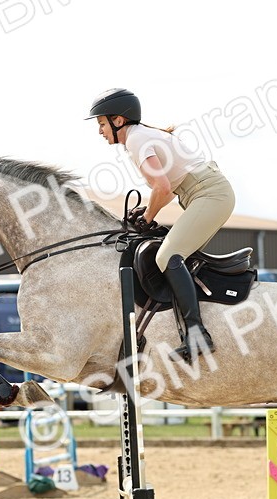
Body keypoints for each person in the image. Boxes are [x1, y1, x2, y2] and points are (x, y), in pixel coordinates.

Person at [86, 88, 236, 362]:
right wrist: (149, 210)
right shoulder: (141, 136)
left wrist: (147, 218)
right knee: (177, 258)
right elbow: (165, 189)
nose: (100, 131)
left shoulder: (136, 140)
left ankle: (197, 334)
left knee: (167, 255)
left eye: (101, 124)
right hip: (205, 194)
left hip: (209, 194)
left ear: (118, 120)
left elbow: (163, 188)